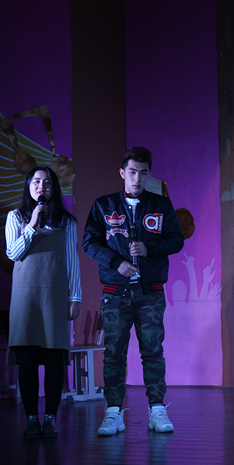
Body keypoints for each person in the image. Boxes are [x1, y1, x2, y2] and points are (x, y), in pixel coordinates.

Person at [82, 147, 184, 436]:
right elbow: (89, 242)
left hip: (150, 292)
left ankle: (157, 410)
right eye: (132, 172)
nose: (137, 178)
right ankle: (113, 412)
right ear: (122, 173)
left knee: (153, 351)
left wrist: (149, 249)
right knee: (114, 353)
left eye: (143, 173)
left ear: (149, 175)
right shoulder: (104, 206)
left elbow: (176, 240)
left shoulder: (160, 205)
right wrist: (117, 262)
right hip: (115, 292)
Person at [5, 166, 82, 440]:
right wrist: (32, 224)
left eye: (47, 182)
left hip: (55, 296)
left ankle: (50, 418)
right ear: (28, 187)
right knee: (27, 360)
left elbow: (73, 261)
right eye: (36, 182)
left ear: (54, 188)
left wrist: (75, 297)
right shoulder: (15, 217)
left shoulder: (67, 222)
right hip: (25, 298)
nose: (42, 187)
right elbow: (13, 253)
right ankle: (31, 419)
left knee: (53, 360)